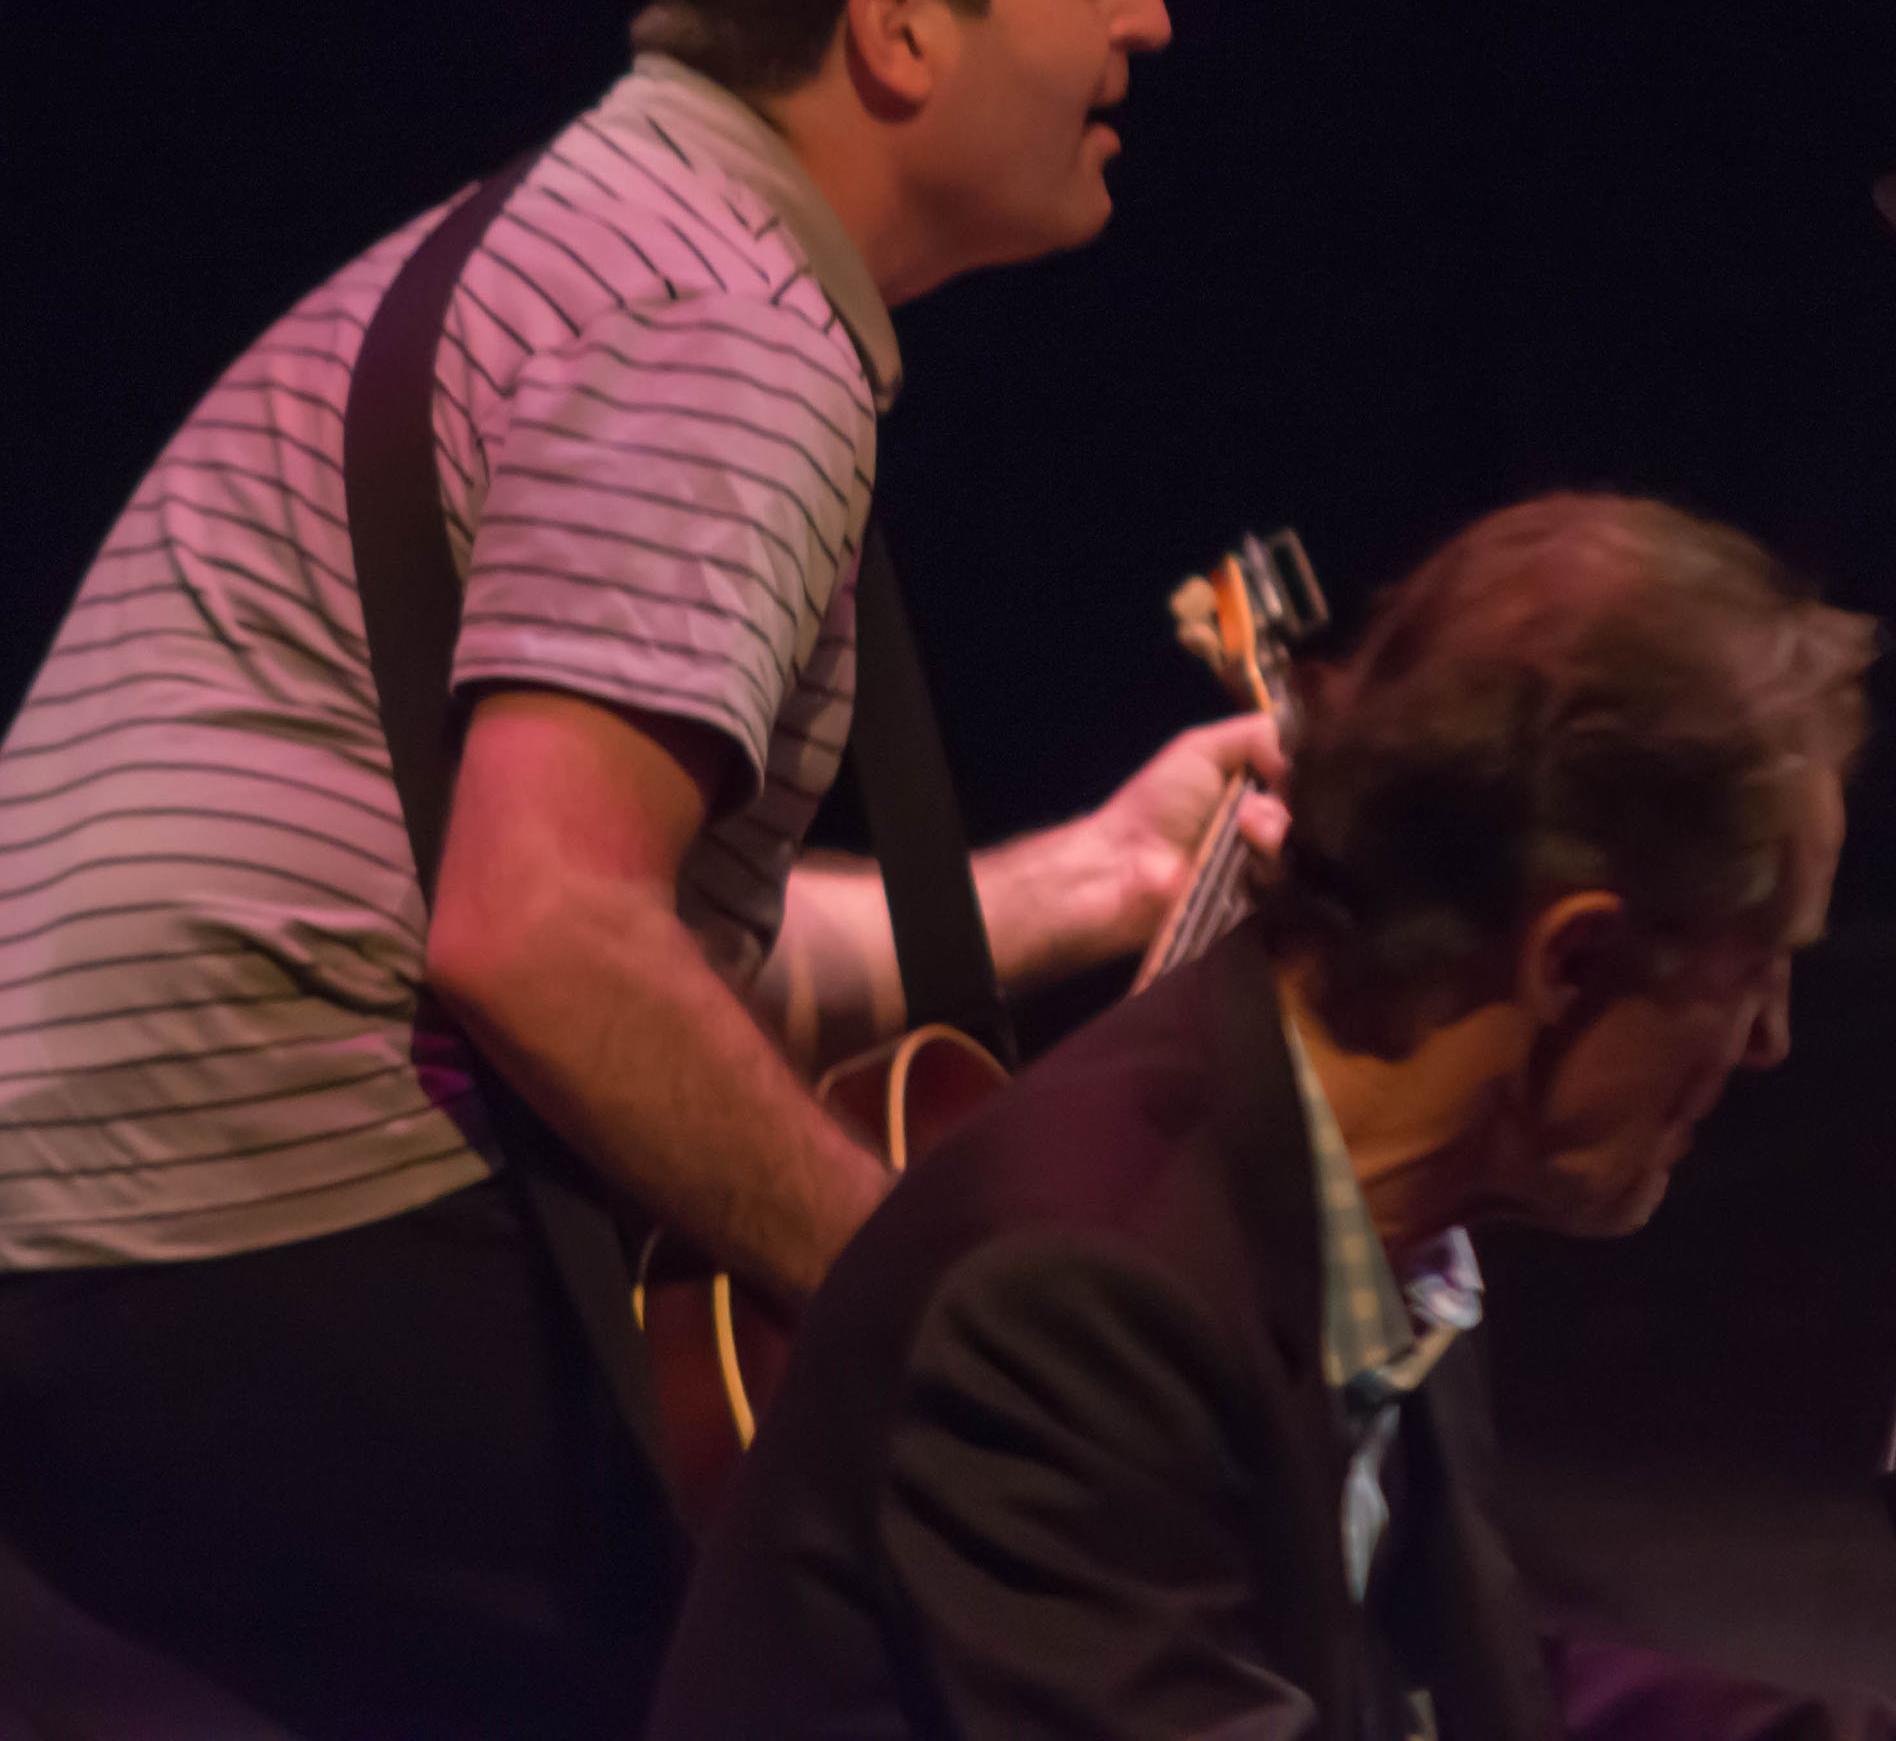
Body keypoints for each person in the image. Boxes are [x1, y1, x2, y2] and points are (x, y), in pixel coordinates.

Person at [0, 0, 1271, 1739]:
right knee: (961, 1575)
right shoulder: (727, 328)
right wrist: (943, 1308)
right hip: (260, 1217)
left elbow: (598, 915)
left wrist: (1086, 876)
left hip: (79, 1228)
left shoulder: (609, 240)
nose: (1151, 19)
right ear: (899, 26)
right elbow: (537, 931)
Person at [647, 492, 1889, 1741]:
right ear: (1571, 961)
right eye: (1755, 970)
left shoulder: (1372, 1196)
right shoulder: (1077, 1302)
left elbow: (1461, 1690)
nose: (1774, 1038)